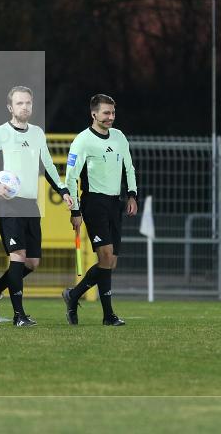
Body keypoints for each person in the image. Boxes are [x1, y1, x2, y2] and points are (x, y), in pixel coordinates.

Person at [0, 86, 73, 327]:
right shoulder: (0, 133)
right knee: (17, 256)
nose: (25, 107)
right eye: (19, 103)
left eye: (28, 103)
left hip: (30, 203)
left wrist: (62, 190)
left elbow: (48, 166)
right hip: (7, 203)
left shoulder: (38, 133)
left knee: (32, 263)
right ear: (10, 107)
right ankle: (19, 316)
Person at [63, 94, 138, 327]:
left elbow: (129, 167)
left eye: (113, 113)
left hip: (115, 203)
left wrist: (132, 194)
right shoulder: (82, 141)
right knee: (104, 257)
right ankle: (109, 316)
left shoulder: (119, 137)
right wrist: (75, 210)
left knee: (110, 263)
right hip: (94, 203)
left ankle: (73, 295)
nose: (110, 117)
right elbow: (71, 177)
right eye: (106, 113)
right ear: (94, 114)